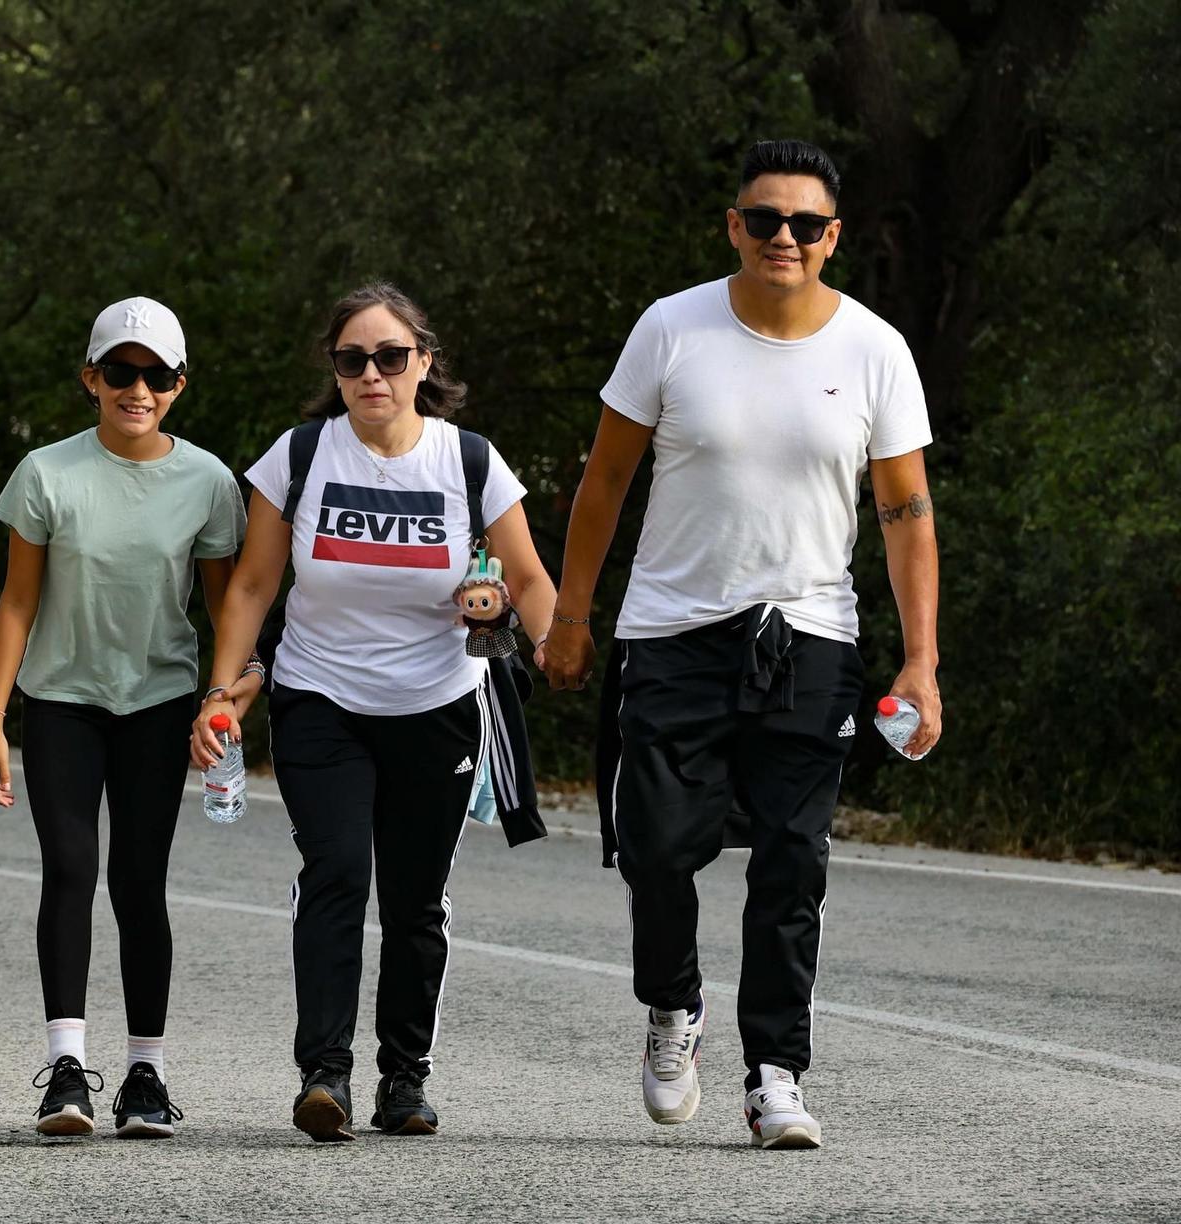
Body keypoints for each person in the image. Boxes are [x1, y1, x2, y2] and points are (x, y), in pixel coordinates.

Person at [540, 140, 943, 1149]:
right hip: (672, 632)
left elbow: (904, 515)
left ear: (831, 239)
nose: (782, 239)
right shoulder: (669, 329)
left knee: (791, 860)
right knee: (658, 846)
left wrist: (919, 658)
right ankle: (672, 1007)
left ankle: (775, 1071)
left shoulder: (873, 350)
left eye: (804, 225)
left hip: (808, 635)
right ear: (733, 226)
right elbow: (602, 482)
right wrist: (571, 613)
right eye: (763, 220)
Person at [192, 283, 557, 1142]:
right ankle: (325, 1074)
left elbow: (531, 582)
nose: (373, 373)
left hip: (437, 707)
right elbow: (252, 583)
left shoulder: (468, 462)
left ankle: (405, 1076)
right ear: (336, 370)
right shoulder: (302, 454)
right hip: (322, 699)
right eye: (353, 358)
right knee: (337, 871)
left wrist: (520, 623)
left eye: (391, 356)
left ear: (424, 363)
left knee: (415, 896)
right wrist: (221, 688)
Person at [0, 296, 246, 1138]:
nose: (139, 389)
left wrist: (223, 702)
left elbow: (227, 612)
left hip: (158, 706)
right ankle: (66, 1072)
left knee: (138, 883)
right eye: (122, 372)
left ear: (178, 386)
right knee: (68, 867)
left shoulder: (207, 481)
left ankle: (146, 1076)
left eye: (157, 375)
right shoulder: (47, 473)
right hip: (61, 700)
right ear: (91, 378)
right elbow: (18, 601)